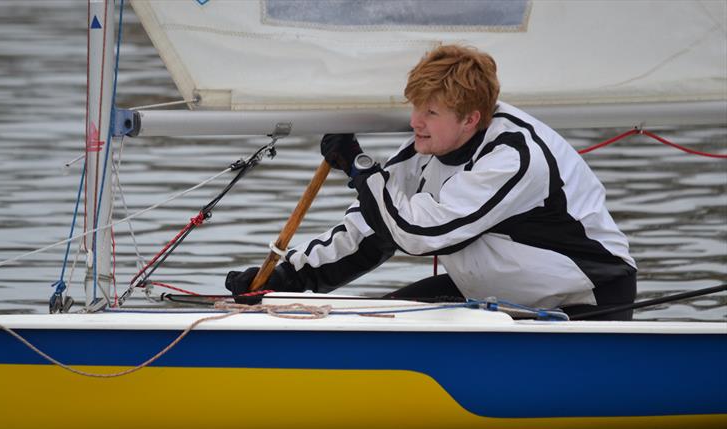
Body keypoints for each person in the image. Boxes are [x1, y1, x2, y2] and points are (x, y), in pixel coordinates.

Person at [225, 44, 637, 320]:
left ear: (470, 119)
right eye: (416, 108)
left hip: (584, 303)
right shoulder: (427, 148)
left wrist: (359, 166)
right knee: (379, 320)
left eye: (431, 113)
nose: (415, 122)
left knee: (388, 330)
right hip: (500, 293)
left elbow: (418, 232)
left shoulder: (514, 156)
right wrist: (283, 278)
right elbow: (374, 230)